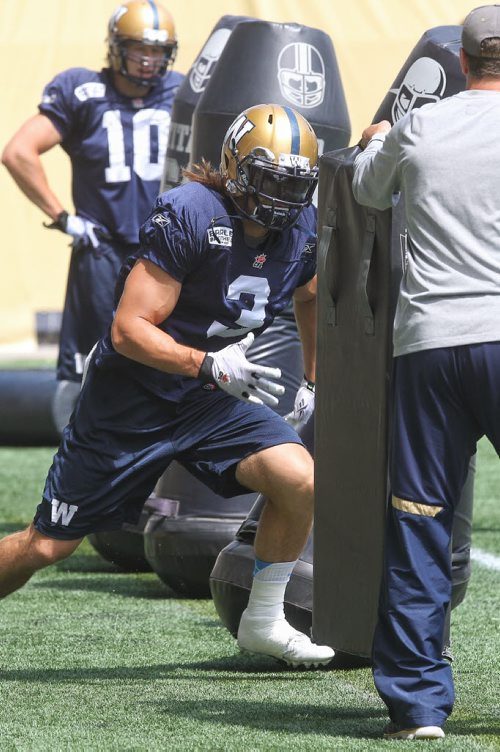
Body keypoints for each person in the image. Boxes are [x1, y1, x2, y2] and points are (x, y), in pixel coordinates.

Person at [0, 103, 333, 669]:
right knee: (48, 544)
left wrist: (313, 376)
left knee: (298, 478)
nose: (280, 197)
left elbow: (308, 292)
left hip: (210, 402)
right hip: (133, 400)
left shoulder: (300, 227)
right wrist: (207, 365)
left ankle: (263, 619)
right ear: (234, 167)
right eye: (270, 179)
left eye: (293, 184)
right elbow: (128, 331)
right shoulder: (192, 212)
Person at [352, 4, 500, 740]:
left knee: (418, 520)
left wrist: (382, 139)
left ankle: (417, 707)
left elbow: (365, 191)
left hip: (430, 344)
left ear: (462, 60)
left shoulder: (421, 124)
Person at [1, 0, 183, 384]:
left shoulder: (182, 93)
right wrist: (64, 219)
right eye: (140, 48)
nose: (149, 60)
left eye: (157, 50)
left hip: (166, 249)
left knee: (166, 361)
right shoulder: (82, 90)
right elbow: (18, 152)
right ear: (116, 46)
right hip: (102, 247)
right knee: (90, 366)